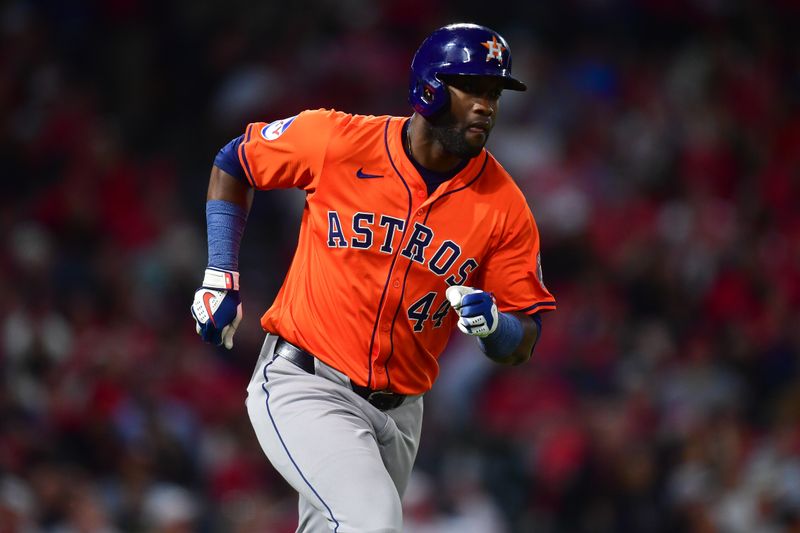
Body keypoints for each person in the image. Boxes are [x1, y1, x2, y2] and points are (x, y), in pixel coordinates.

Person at [190, 22, 556, 532]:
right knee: (371, 523)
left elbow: (524, 339)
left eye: (493, 92)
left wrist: (499, 328)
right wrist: (219, 274)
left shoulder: (505, 208)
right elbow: (235, 161)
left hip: (402, 415)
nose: (486, 105)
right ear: (429, 87)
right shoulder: (340, 140)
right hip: (306, 383)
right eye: (471, 87)